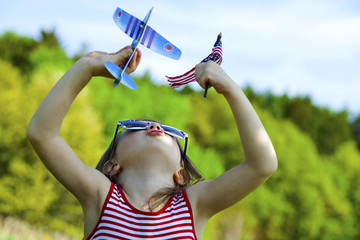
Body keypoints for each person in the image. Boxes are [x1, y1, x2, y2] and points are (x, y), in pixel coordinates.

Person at [26, 45, 278, 240]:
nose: (155, 127)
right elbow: (41, 133)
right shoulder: (101, 196)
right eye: (137, 127)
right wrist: (88, 65)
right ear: (111, 166)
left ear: (180, 173)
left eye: (168, 132)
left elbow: (263, 164)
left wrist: (230, 89)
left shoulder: (194, 205)